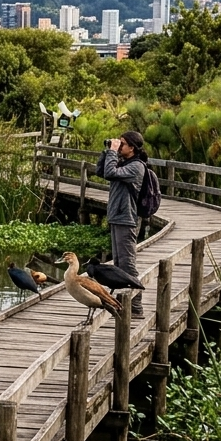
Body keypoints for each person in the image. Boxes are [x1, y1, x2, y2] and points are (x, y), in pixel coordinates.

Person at [96, 130, 147, 316]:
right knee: (118, 263)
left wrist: (112, 153)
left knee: (127, 264)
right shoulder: (124, 163)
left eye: (122, 144)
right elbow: (101, 171)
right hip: (117, 217)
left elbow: (110, 172)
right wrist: (107, 151)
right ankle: (125, 302)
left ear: (132, 148)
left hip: (127, 219)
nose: (120, 146)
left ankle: (136, 306)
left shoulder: (137, 167)